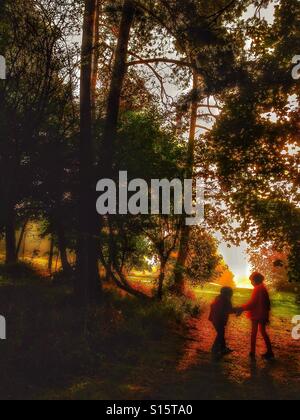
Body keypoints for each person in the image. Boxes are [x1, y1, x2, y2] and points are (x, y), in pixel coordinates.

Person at [240, 272, 275, 361]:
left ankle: (252, 352)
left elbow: (252, 303)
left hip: (256, 314)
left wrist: (241, 308)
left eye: (251, 281)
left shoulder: (258, 289)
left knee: (254, 333)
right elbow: (268, 304)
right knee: (263, 332)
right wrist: (266, 315)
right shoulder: (263, 288)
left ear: (255, 280)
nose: (251, 283)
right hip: (262, 314)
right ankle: (269, 352)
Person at [209, 287, 240, 356]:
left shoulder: (218, 297)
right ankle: (214, 348)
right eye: (231, 293)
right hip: (219, 320)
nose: (232, 295)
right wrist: (237, 309)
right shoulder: (226, 300)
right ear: (228, 294)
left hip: (214, 319)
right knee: (220, 334)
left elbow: (213, 306)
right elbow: (229, 310)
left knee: (221, 333)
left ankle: (223, 348)